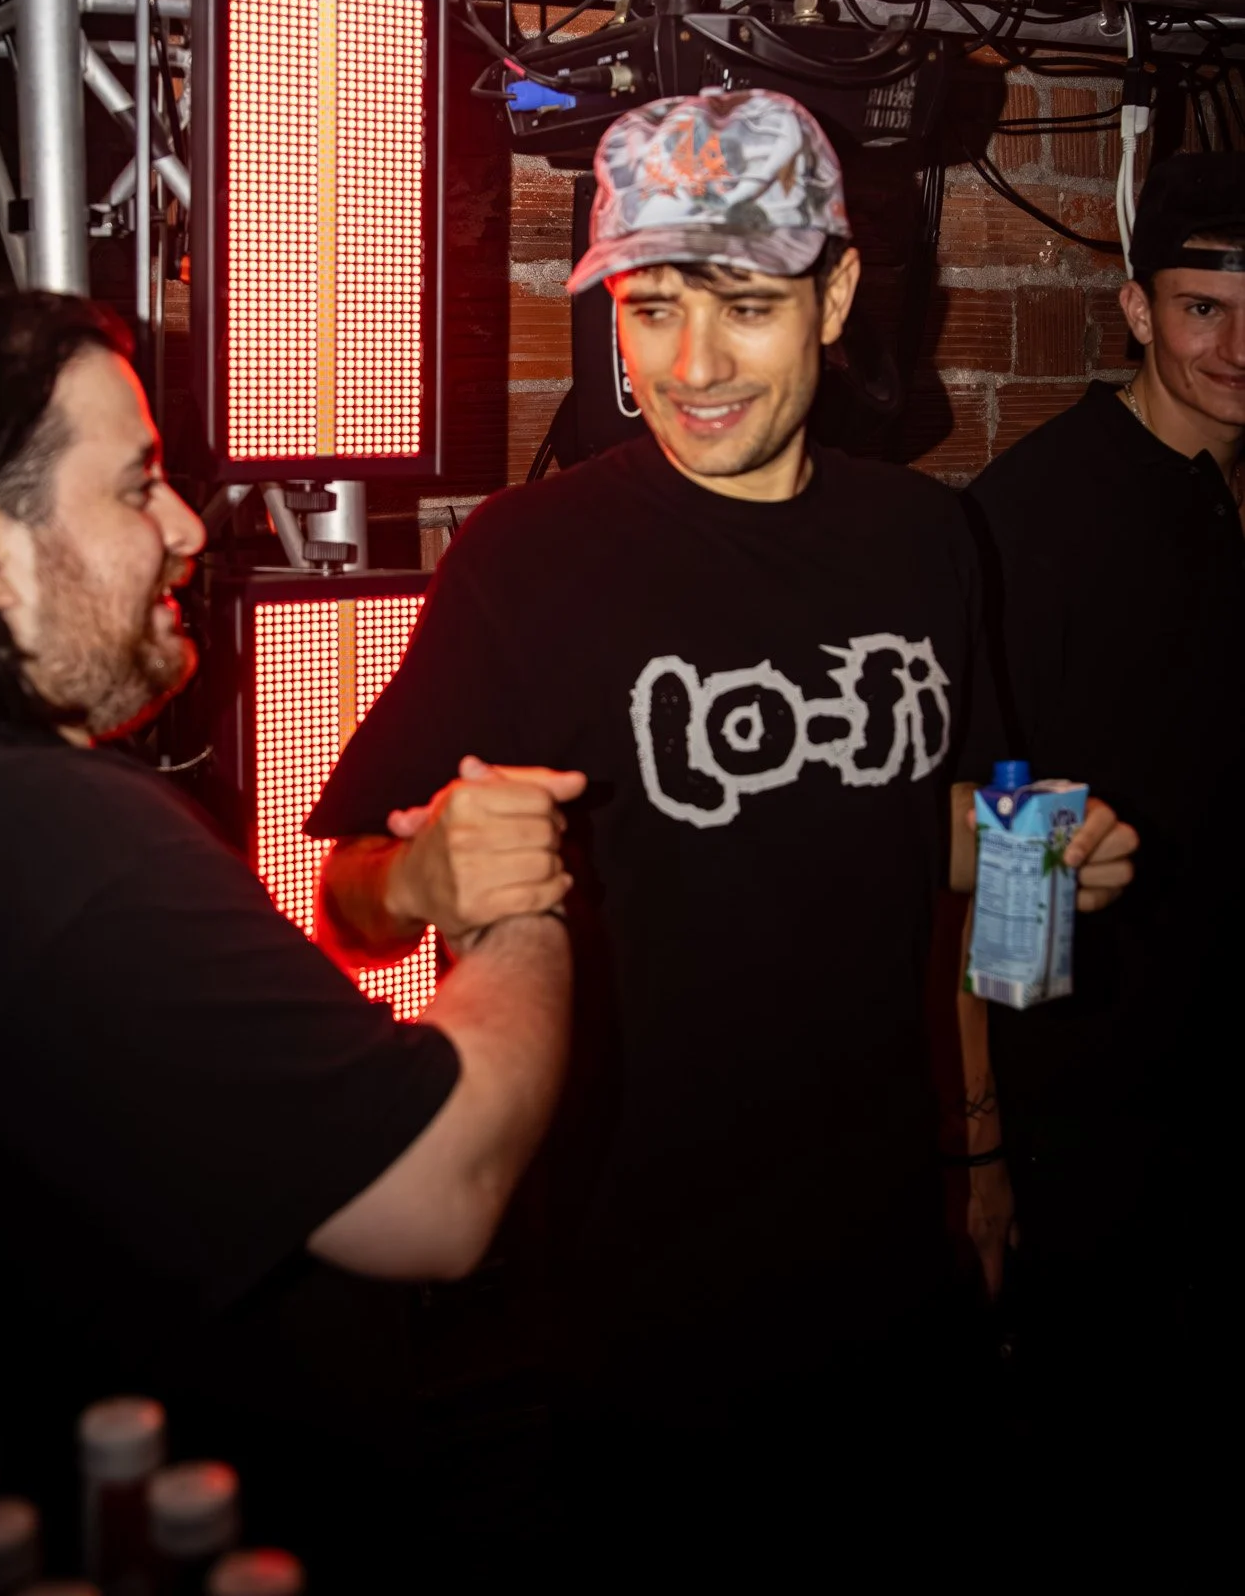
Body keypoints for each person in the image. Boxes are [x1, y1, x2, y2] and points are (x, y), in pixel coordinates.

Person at [308, 88, 1136, 1512]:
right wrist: (421, 879)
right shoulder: (529, 556)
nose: (691, 365)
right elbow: (347, 903)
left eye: (745, 306)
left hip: (889, 1252)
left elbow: (929, 824)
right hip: (634, 1298)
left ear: (836, 297)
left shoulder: (924, 535)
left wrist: (1057, 858)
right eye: (651, 309)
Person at [0, 291, 571, 1574]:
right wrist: (519, 900)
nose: (190, 525)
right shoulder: (59, 841)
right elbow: (441, 1187)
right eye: (136, 485)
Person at [963, 153, 1244, 1492]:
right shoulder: (1036, 516)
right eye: (1202, 308)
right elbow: (999, 828)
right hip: (1098, 1095)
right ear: (1136, 310)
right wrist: (990, 1141)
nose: (1237, 349)